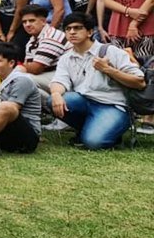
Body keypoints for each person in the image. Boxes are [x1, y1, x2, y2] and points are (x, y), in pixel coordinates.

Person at [50, 12, 145, 150]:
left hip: (112, 105)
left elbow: (140, 81)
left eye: (77, 28)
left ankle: (108, 130)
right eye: (68, 29)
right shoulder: (66, 58)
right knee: (53, 100)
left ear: (90, 32)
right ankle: (92, 128)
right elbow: (59, 80)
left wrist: (108, 70)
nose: (72, 32)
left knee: (93, 143)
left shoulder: (110, 51)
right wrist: (55, 95)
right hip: (84, 101)